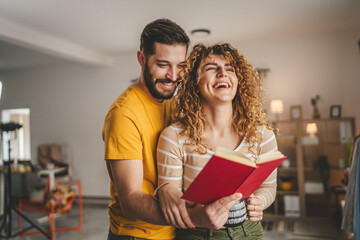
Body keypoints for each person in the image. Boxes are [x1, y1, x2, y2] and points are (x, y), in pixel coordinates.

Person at [102, 19, 242, 240]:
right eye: (163, 64)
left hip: (173, 231)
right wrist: (194, 216)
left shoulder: (172, 101)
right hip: (137, 235)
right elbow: (130, 199)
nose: (173, 76)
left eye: (181, 66)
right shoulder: (124, 114)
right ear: (141, 59)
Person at [156, 43, 278, 239]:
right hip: (196, 233)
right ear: (194, 82)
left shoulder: (262, 135)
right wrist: (190, 210)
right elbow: (170, 193)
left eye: (230, 69)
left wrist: (259, 202)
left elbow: (269, 187)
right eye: (211, 68)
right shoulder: (174, 137)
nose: (222, 73)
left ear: (238, 81)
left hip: (249, 232)